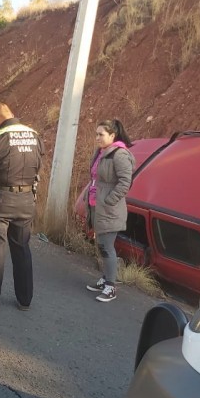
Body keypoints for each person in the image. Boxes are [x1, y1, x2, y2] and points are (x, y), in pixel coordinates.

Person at [0, 100, 44, 313]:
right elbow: (38, 164)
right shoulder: (34, 135)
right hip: (26, 200)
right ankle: (25, 299)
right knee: (22, 247)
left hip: (0, 200)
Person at [84, 119, 135, 302]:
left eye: (101, 134)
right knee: (101, 245)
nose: (97, 138)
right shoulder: (101, 152)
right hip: (97, 206)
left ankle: (111, 286)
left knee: (107, 247)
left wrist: (108, 200)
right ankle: (105, 279)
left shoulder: (119, 155)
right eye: (96, 134)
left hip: (109, 209)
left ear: (112, 136)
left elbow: (125, 183)